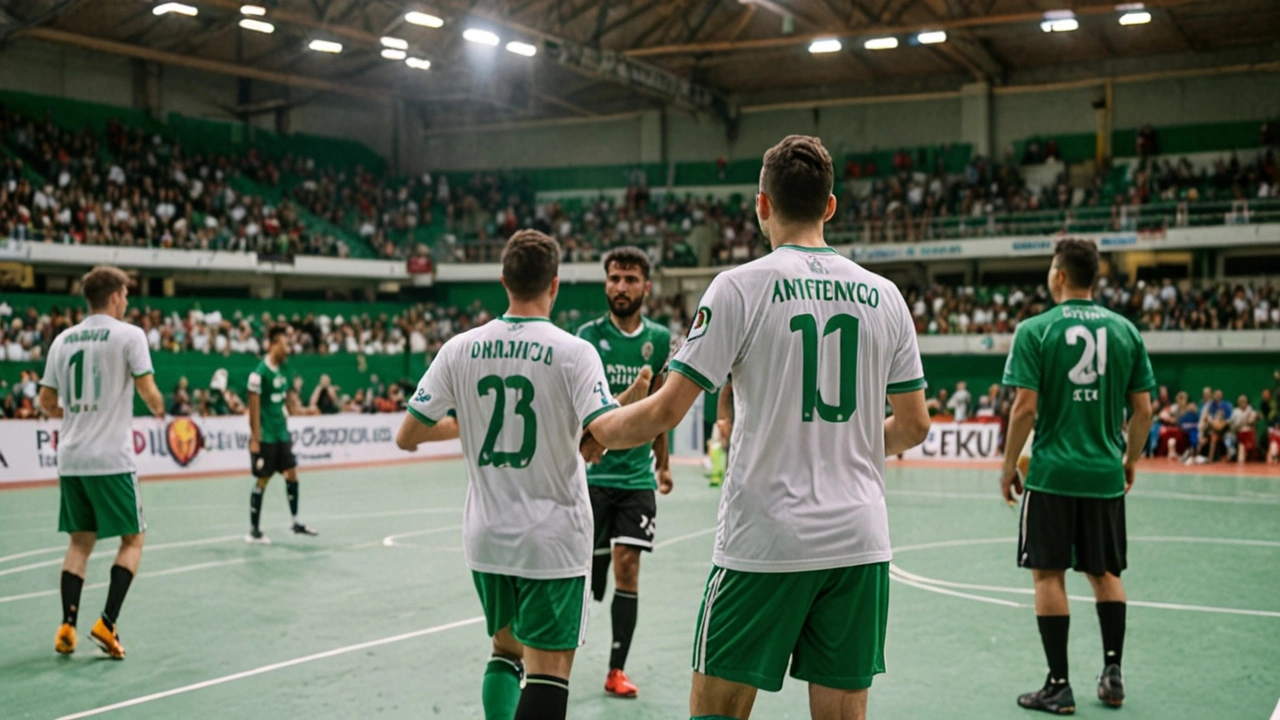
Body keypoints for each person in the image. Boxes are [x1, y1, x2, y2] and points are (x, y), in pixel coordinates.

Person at [587, 135, 931, 720]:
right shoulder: (886, 296)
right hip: (859, 540)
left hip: (766, 542)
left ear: (761, 205)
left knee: (717, 710)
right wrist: (843, 447)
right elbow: (916, 424)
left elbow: (667, 411)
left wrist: (594, 432)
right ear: (830, 206)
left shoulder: (739, 286)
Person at [395, 229, 624, 720]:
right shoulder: (574, 352)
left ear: (504, 281)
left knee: (505, 651)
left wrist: (471, 426)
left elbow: (408, 434)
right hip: (551, 540)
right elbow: (603, 430)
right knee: (549, 670)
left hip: (486, 537)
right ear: (555, 285)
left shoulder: (459, 348)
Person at [1001, 238, 1155, 713]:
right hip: (1105, 475)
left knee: (1049, 575)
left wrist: (1008, 467)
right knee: (1105, 573)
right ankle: (1112, 674)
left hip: (1051, 475)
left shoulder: (1036, 330)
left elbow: (1024, 408)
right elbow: (1144, 411)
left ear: (1060, 274)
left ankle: (1058, 684)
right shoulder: (1126, 331)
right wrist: (1128, 458)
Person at [38, 266, 166, 659]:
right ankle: (107, 624)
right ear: (113, 297)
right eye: (125, 294)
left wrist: (81, 414)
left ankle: (66, 625)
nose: (127, 301)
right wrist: (161, 409)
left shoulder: (62, 340)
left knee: (80, 543)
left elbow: (46, 402)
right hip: (112, 457)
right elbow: (147, 390)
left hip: (72, 457)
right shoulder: (130, 335)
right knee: (133, 539)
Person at [574, 246, 673, 699]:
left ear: (646, 287)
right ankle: (546, 662)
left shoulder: (661, 336)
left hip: (636, 479)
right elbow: (583, 411)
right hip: (590, 478)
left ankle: (616, 669)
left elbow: (663, 411)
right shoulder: (585, 338)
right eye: (614, 278)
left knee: (627, 566)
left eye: (630, 279)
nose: (621, 287)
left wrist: (664, 465)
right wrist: (634, 391)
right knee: (581, 581)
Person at [245, 326, 318, 544]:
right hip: (266, 436)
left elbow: (288, 403)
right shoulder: (259, 375)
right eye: (284, 344)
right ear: (273, 344)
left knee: (292, 474)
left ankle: (295, 522)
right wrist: (255, 439)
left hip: (282, 434)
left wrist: (303, 410)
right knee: (263, 480)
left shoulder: (284, 369)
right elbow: (254, 409)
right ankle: (254, 531)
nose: (288, 348)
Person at [1229, 394, 1258, 464]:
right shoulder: (1235, 411)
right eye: (1240, 401)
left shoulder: (1251, 410)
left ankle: (1249, 453)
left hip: (1249, 433)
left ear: (1247, 402)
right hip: (1237, 433)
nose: (1242, 403)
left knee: (1248, 430)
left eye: (1244, 401)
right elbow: (1232, 425)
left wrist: (1251, 420)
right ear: (1238, 402)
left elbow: (1253, 421)